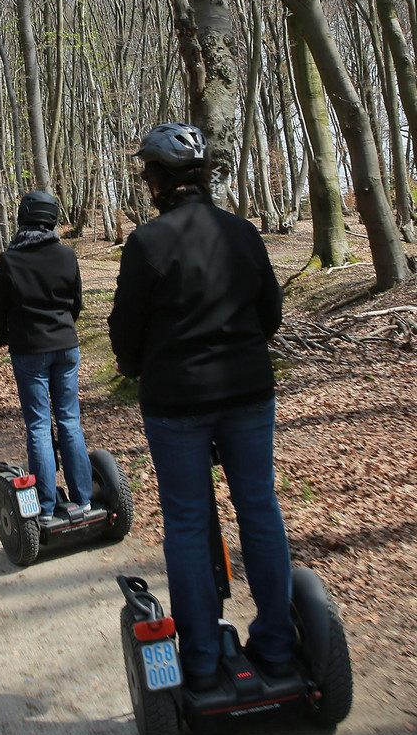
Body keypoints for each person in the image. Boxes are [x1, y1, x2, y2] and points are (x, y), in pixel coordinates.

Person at [108, 122, 295, 692]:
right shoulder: (242, 232)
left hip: (177, 400)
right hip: (247, 393)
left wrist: (136, 366)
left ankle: (202, 661)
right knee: (259, 508)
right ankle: (278, 647)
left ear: (158, 180)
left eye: (147, 173)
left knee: (188, 522)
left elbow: (126, 329)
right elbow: (270, 314)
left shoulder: (148, 242)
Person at [0, 191, 93, 520]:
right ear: (52, 219)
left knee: (38, 426)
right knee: (70, 421)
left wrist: (3, 336)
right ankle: (83, 499)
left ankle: (46, 507)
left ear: (23, 219)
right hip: (66, 345)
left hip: (30, 349)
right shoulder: (67, 255)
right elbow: (76, 301)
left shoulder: (10, 259)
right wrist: (64, 328)